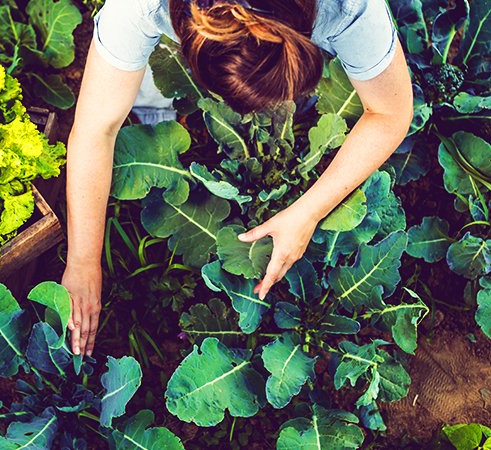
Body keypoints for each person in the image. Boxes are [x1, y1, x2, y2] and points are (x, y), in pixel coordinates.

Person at [61, 0, 414, 357]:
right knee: (139, 90)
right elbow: (96, 129)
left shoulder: (349, 6)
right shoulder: (138, 7)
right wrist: (82, 260)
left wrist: (306, 213)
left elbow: (391, 112)